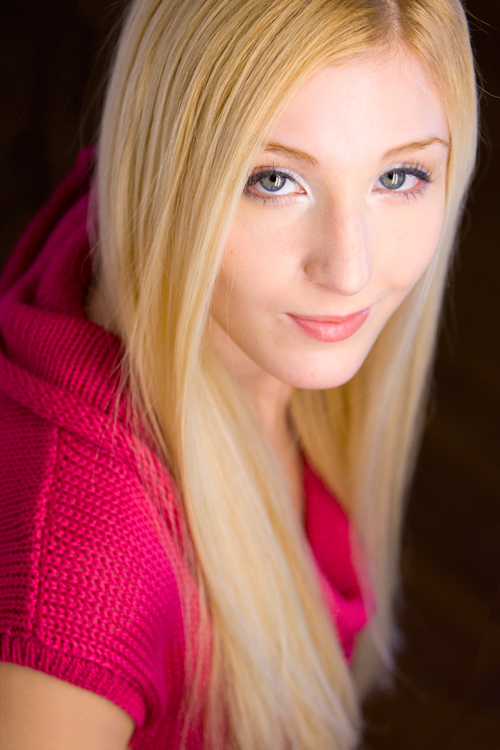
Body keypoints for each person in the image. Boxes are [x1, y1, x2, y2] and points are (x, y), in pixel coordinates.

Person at [0, 0, 478, 748]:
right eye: (273, 180)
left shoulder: (120, 228)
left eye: (399, 175)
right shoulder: (79, 581)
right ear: (162, 168)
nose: (349, 271)